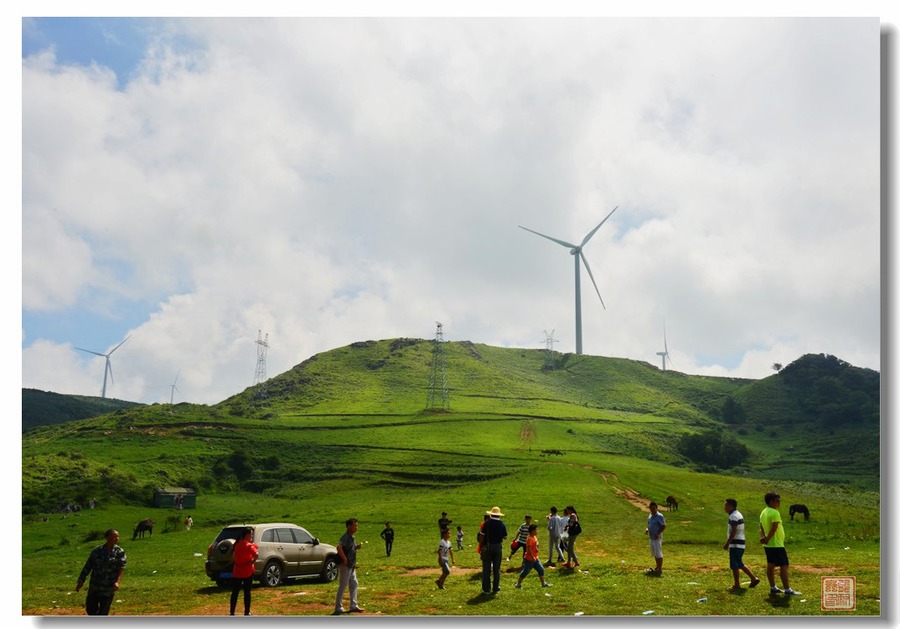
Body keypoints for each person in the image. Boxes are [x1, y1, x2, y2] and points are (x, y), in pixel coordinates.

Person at [75, 528, 126, 615]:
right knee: (90, 609)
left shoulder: (119, 552)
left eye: (118, 537)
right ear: (107, 537)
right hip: (95, 587)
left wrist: (117, 582)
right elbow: (88, 566)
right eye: (114, 537)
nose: (117, 539)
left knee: (103, 612)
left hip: (108, 588)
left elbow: (121, 568)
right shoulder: (97, 551)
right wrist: (81, 581)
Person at [759, 492, 801, 596]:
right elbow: (774, 527)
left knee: (771, 565)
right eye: (777, 501)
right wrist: (768, 538)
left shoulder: (764, 511)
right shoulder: (774, 513)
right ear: (771, 501)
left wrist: (763, 537)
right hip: (776, 544)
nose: (779, 503)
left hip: (769, 545)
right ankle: (787, 590)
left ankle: (773, 587)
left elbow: (761, 526)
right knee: (784, 565)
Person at [723, 498, 761, 590]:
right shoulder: (737, 514)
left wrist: (727, 543)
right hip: (740, 542)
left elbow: (734, 530)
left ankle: (738, 584)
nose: (725, 507)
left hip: (736, 543)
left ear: (730, 506)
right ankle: (752, 578)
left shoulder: (733, 516)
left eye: (726, 505)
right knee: (739, 563)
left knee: (734, 564)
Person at [334, 518, 365, 614]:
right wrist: (344, 559)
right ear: (348, 526)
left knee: (354, 584)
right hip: (345, 566)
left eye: (357, 525)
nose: (356, 527)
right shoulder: (346, 537)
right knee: (343, 586)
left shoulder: (352, 537)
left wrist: (356, 547)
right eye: (354, 525)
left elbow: (349, 548)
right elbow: (339, 547)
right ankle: (338, 608)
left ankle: (353, 605)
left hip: (351, 566)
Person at [229, 527, 258, 616]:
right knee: (247, 592)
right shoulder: (249, 545)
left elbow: (234, 556)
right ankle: (247, 612)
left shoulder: (237, 544)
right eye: (251, 534)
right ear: (248, 535)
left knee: (235, 592)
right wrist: (252, 562)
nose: (252, 536)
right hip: (247, 571)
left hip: (237, 570)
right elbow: (256, 554)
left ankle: (232, 612)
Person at [514, 524, 552, 589]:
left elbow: (535, 545)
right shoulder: (529, 538)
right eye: (536, 530)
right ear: (532, 531)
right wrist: (533, 557)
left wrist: (536, 551)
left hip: (535, 558)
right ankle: (518, 584)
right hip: (529, 559)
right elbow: (528, 549)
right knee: (525, 572)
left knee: (541, 570)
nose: (537, 531)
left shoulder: (534, 537)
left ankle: (543, 584)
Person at [480, 506, 508, 594]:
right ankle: (496, 588)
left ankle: (486, 589)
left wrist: (481, 546)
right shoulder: (502, 524)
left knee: (486, 569)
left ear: (491, 514)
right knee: (496, 569)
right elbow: (505, 536)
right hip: (498, 547)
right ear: (499, 515)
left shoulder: (487, 523)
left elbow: (482, 535)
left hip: (488, 546)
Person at [645, 502, 666, 576]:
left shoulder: (660, 516)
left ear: (656, 508)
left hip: (657, 538)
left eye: (653, 508)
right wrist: (647, 529)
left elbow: (663, 526)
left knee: (658, 553)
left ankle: (660, 568)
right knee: (654, 553)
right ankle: (657, 567)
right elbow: (648, 524)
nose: (652, 510)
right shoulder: (650, 515)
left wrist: (658, 533)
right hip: (651, 537)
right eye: (651, 508)